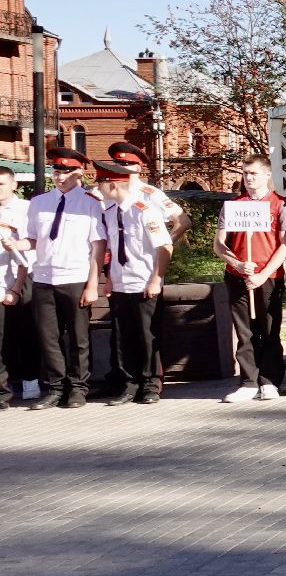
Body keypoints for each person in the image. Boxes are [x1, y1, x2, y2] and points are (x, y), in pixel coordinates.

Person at [25, 147, 107, 410]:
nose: (59, 176)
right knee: (48, 336)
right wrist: (16, 243)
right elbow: (33, 239)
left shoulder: (91, 203)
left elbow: (98, 245)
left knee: (78, 336)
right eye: (56, 171)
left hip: (75, 276)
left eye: (66, 171)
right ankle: (53, 387)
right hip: (44, 277)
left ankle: (78, 387)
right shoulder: (38, 203)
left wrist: (93, 284)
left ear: (79, 172)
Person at [96, 159, 172, 405]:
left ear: (113, 184)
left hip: (143, 283)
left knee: (147, 337)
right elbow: (112, 247)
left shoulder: (144, 210)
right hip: (120, 284)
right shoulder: (109, 212)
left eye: (101, 182)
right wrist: (108, 279)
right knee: (123, 337)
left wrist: (155, 279)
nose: (98, 187)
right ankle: (129, 384)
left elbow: (164, 247)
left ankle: (150, 384)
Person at [216, 155, 286, 403]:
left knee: (269, 329)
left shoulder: (280, 204)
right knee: (244, 331)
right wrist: (236, 263)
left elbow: (284, 245)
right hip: (238, 275)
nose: (248, 178)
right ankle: (248, 380)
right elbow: (219, 244)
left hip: (267, 277)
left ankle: (269, 380)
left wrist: (262, 274)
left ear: (267, 175)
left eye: (254, 173)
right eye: (246, 173)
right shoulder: (234, 205)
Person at [0, 170, 30, 409]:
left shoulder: (26, 210)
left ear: (13, 184)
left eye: (1, 184)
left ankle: (31, 383)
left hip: (22, 279)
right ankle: (3, 392)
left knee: (25, 333)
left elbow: (27, 253)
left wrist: (17, 287)